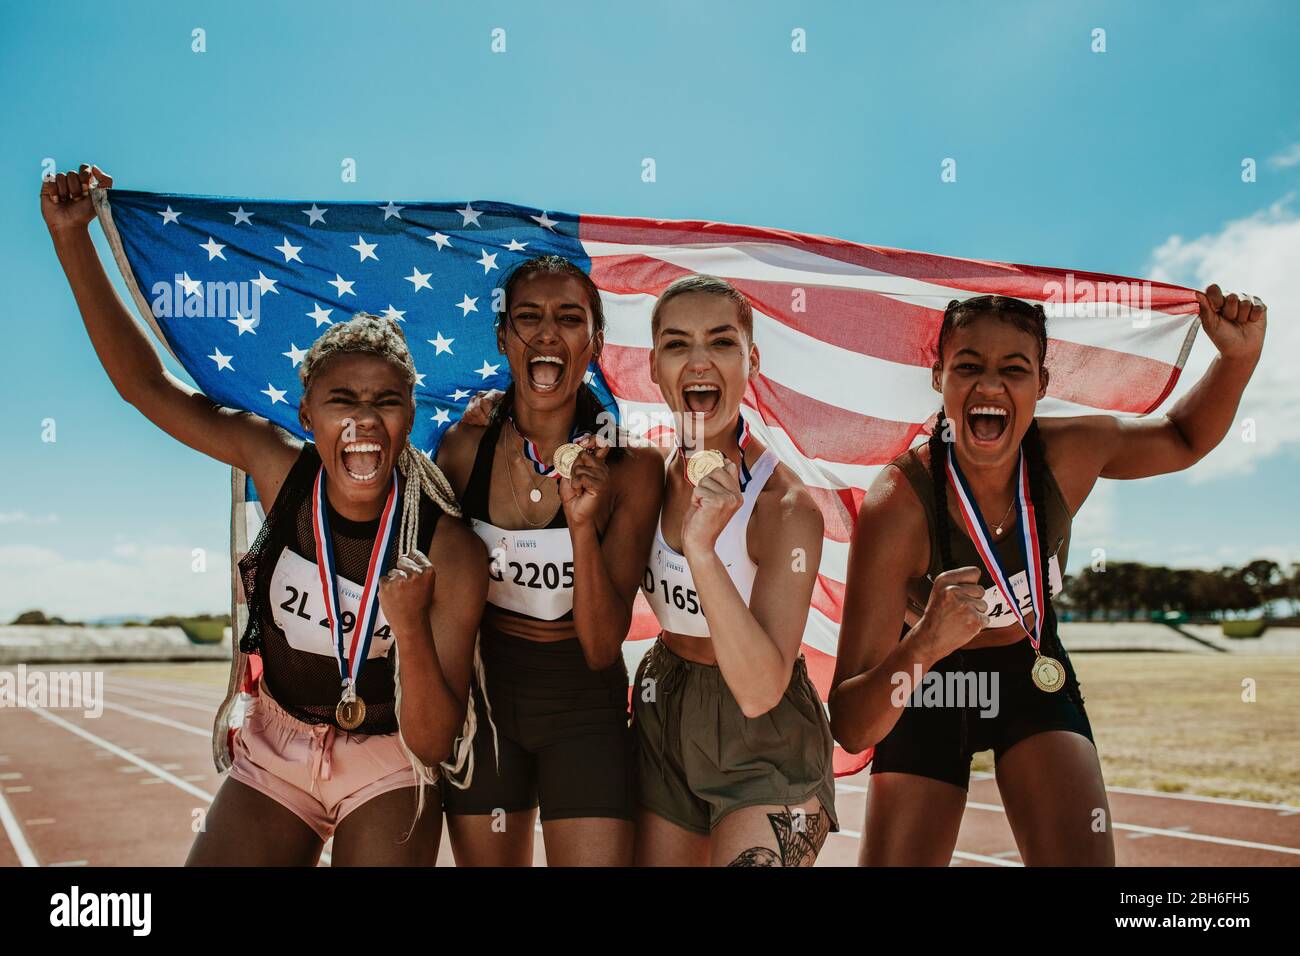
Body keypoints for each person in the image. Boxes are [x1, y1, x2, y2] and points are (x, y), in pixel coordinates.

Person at [43, 164, 487, 866]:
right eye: (343, 400)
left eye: (387, 402)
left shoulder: (449, 548)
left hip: (391, 756)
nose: (364, 421)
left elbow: (435, 741)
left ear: (410, 416)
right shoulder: (278, 470)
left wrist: (407, 622)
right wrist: (74, 240)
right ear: (307, 414)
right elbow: (145, 387)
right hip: (279, 745)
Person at [829, 289, 1267, 866]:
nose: (990, 386)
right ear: (938, 378)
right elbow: (852, 724)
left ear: (1042, 384)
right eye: (968, 366)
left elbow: (1182, 438)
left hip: (1031, 671)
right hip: (927, 684)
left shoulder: (1070, 452)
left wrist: (1237, 361)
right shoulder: (899, 502)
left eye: (1014, 369)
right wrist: (925, 643)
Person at [435, 254, 663, 866]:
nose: (546, 332)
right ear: (503, 338)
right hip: (485, 706)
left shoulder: (634, 468)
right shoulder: (461, 449)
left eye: (568, 318)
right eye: (528, 317)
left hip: (582, 708)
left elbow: (599, 645)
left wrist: (583, 526)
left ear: (594, 343)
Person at [632, 274, 838, 867]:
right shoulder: (645, 473)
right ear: (653, 366)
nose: (698, 361)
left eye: (721, 342)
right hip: (664, 706)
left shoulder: (785, 507)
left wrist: (701, 549)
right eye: (677, 344)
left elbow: (758, 691)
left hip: (764, 737)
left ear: (751, 359)